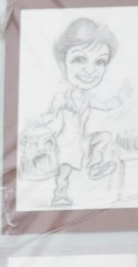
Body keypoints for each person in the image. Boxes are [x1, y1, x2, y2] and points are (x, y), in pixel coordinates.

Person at [19, 16, 127, 209]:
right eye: (79, 59)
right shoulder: (62, 98)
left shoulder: (89, 97)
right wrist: (38, 126)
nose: (90, 70)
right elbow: (51, 117)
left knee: (104, 137)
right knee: (66, 168)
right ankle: (60, 193)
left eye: (100, 62)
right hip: (65, 143)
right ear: (63, 66)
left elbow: (106, 105)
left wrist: (121, 99)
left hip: (82, 140)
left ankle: (96, 166)